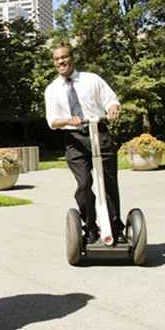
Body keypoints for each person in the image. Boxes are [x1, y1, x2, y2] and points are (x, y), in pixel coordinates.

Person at [44, 43, 125, 244]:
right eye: (57, 59)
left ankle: (115, 229)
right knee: (84, 185)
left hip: (99, 133)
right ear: (54, 63)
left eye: (64, 57)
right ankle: (90, 228)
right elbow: (52, 121)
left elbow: (110, 100)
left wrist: (113, 108)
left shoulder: (92, 79)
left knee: (108, 183)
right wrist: (68, 120)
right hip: (74, 139)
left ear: (72, 57)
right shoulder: (52, 89)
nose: (61, 61)